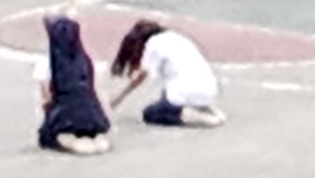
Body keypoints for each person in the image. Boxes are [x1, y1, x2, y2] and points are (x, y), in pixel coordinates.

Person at [109, 17, 225, 129]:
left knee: (149, 114)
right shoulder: (177, 38)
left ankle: (189, 115)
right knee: (175, 90)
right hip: (210, 89)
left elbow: (141, 75)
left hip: (185, 91)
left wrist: (119, 98)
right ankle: (209, 110)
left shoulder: (152, 44)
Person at [37, 11, 112, 157]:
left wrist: (49, 121)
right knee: (92, 133)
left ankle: (74, 142)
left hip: (67, 113)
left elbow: (46, 98)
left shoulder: (49, 60)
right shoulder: (84, 58)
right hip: (93, 112)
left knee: (48, 136)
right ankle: (98, 139)